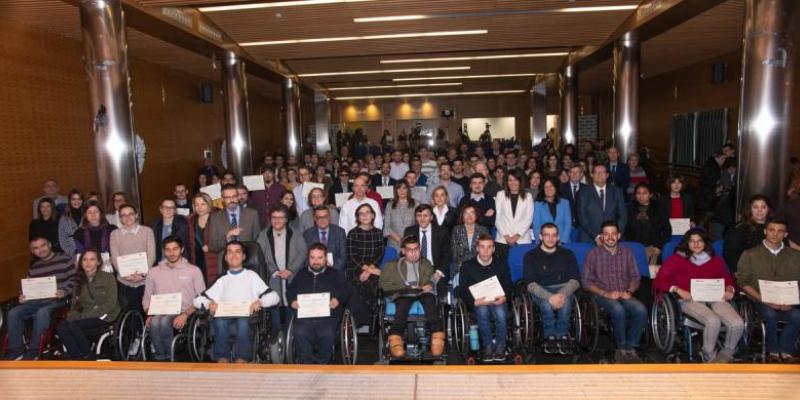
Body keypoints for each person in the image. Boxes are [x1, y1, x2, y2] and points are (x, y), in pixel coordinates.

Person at [653, 228, 742, 363]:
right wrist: (678, 290)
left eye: (699, 241)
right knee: (713, 321)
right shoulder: (677, 259)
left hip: (715, 297)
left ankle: (726, 354)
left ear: (705, 243)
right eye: (692, 241)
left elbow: (726, 278)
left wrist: (730, 289)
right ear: (686, 243)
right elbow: (659, 280)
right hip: (689, 299)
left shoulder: (715, 260)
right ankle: (707, 353)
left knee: (737, 324)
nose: (696, 244)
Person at [193, 241, 280, 363]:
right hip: (224, 318)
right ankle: (222, 359)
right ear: (225, 257)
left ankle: (242, 359)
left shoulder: (252, 276)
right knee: (218, 321)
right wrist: (209, 304)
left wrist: (260, 302)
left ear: (244, 256)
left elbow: (275, 297)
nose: (233, 255)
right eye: (230, 252)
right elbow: (197, 300)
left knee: (243, 322)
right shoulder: (221, 280)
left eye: (237, 251)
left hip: (246, 317)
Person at [581, 221, 646, 363]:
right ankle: (621, 348)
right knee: (618, 310)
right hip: (601, 294)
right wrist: (605, 294)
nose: (610, 237)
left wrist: (629, 291)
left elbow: (635, 276)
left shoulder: (627, 252)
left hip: (624, 293)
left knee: (641, 310)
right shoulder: (593, 254)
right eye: (606, 234)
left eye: (613, 234)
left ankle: (631, 348)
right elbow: (586, 281)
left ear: (619, 235)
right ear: (601, 237)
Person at [736, 219, 800, 363]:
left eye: (780, 231)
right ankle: (773, 351)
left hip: (788, 301)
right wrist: (763, 300)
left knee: (797, 315)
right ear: (765, 231)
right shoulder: (750, 254)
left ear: (786, 234)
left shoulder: (796, 256)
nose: (775, 234)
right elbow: (742, 282)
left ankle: (785, 350)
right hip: (759, 300)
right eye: (771, 230)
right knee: (769, 314)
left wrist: (793, 301)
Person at [5, 237, 75, 360]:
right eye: (36, 248)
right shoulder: (35, 267)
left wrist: (64, 291)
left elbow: (76, 280)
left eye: (43, 245)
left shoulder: (65, 259)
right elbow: (27, 286)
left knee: (42, 312)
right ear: (32, 251)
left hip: (59, 300)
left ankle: (34, 350)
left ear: (49, 245)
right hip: (37, 300)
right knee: (13, 312)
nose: (40, 250)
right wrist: (23, 296)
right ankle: (16, 350)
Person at [380, 236, 445, 358]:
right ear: (403, 251)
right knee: (403, 304)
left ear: (420, 249)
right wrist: (406, 289)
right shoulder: (391, 266)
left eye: (416, 249)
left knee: (430, 300)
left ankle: (437, 335)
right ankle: (395, 338)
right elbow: (383, 284)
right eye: (410, 250)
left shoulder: (425, 263)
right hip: (402, 293)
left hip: (421, 293)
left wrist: (427, 285)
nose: (413, 253)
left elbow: (429, 278)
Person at [142, 236, 205, 361]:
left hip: (183, 312)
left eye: (175, 249)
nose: (171, 253)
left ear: (181, 249)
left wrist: (185, 315)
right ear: (164, 251)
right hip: (159, 312)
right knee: (155, 321)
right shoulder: (153, 272)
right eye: (168, 249)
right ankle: (161, 357)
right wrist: (149, 314)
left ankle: (168, 356)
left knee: (164, 321)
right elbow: (147, 298)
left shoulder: (193, 271)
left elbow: (201, 299)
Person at [524, 223, 580, 355]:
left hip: (564, 288)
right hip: (541, 289)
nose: (550, 238)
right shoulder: (531, 256)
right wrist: (550, 297)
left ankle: (562, 336)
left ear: (558, 237)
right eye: (546, 235)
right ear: (540, 236)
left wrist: (560, 295)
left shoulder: (568, 254)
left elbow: (575, 280)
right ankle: (549, 337)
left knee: (565, 303)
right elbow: (531, 284)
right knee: (547, 305)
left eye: (554, 235)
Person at [287, 243, 348, 364]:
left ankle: (322, 363)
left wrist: (337, 299)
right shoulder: (301, 274)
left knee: (328, 333)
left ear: (326, 258)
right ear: (308, 258)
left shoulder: (336, 274)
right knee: (299, 332)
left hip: (328, 317)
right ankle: (307, 364)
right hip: (305, 317)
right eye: (312, 257)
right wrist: (292, 301)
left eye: (320, 257)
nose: (316, 261)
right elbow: (291, 290)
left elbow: (345, 290)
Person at [56, 249, 120, 360]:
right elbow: (75, 305)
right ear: (80, 262)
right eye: (85, 259)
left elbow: (111, 303)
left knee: (73, 325)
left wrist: (83, 316)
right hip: (84, 314)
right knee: (62, 326)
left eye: (92, 259)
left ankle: (88, 356)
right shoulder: (78, 280)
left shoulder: (108, 278)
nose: (88, 263)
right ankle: (76, 357)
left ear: (99, 262)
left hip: (105, 314)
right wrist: (72, 316)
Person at [458, 235, 511, 360]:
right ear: (477, 248)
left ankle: (500, 346)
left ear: (493, 249)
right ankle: (487, 346)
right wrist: (474, 302)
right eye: (482, 247)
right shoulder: (467, 266)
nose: (485, 251)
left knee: (500, 313)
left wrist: (505, 297)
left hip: (498, 300)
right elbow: (462, 289)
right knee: (482, 311)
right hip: (478, 303)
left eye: (489, 247)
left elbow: (508, 285)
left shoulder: (501, 265)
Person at [256, 205, 308, 332]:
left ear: (286, 219)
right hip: (273, 278)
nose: (277, 220)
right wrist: (274, 271)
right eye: (274, 217)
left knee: (291, 309)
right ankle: (276, 341)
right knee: (275, 312)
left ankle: (290, 339)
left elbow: (303, 252)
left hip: (292, 277)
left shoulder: (296, 233)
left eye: (281, 218)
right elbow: (261, 256)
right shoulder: (263, 235)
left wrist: (290, 270)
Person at [109, 204, 156, 311]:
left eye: (130, 214)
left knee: (148, 312)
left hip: (145, 280)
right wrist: (125, 275)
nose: (128, 217)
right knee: (130, 314)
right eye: (123, 215)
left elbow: (151, 255)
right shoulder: (114, 234)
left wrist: (143, 275)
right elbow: (115, 257)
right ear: (120, 218)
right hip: (125, 281)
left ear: (136, 215)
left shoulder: (147, 231)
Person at [208, 184, 261, 273]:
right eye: (228, 197)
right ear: (223, 199)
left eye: (234, 196)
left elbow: (258, 241)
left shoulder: (252, 214)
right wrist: (227, 237)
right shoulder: (215, 218)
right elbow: (213, 246)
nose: (231, 200)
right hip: (225, 265)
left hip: (249, 264)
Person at [346, 203, 385, 325]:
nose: (365, 216)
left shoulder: (378, 232)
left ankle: (375, 319)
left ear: (373, 215)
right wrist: (367, 269)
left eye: (367, 212)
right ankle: (368, 319)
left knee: (379, 285)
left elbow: (380, 253)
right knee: (366, 285)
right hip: (356, 270)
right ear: (357, 217)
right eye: (361, 213)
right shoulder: (352, 233)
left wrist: (370, 269)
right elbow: (352, 256)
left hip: (373, 269)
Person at [403, 204, 452, 294]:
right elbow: (404, 253)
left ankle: (440, 307)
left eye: (426, 215)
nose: (422, 219)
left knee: (440, 288)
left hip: (436, 268)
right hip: (415, 267)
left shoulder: (442, 231)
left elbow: (447, 254)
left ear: (431, 217)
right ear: (416, 218)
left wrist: (438, 273)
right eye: (419, 216)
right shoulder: (409, 231)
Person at [576, 164, 627, 243]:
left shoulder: (617, 191)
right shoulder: (583, 192)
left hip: (612, 238)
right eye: (596, 172)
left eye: (602, 172)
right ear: (592, 175)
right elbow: (581, 216)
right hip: (589, 237)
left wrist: (615, 233)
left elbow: (623, 215)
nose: (599, 174)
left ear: (607, 175)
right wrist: (596, 236)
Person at [625, 183, 672, 265]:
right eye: (638, 193)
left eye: (644, 193)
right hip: (633, 247)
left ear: (650, 195)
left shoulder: (659, 208)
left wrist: (659, 247)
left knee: (650, 274)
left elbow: (667, 229)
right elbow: (625, 228)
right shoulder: (629, 208)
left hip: (652, 247)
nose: (641, 196)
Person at [723, 194, 770, 273]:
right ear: (750, 209)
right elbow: (732, 259)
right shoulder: (738, 230)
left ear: (768, 209)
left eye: (763, 207)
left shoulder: (775, 227)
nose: (759, 210)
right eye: (755, 207)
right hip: (747, 273)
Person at [495, 169, 535, 256]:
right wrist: (506, 236)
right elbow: (497, 218)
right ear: (506, 182)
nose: (513, 183)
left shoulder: (528, 196)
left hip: (522, 239)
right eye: (510, 180)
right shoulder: (500, 195)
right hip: (503, 239)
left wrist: (516, 236)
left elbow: (529, 219)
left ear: (520, 181)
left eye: (516, 179)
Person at [303, 206, 347, 272]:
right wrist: (317, 269)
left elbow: (344, 257)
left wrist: (330, 271)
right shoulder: (307, 234)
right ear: (314, 218)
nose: (322, 220)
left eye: (325, 217)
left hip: (336, 272)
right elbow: (305, 258)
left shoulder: (340, 232)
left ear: (329, 217)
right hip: (314, 273)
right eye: (319, 217)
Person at [187, 193, 218, 285]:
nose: (199, 207)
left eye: (203, 204)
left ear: (209, 204)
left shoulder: (218, 219)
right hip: (196, 261)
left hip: (213, 260)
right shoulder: (190, 221)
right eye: (196, 205)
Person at [451, 204, 490, 272]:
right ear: (462, 216)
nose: (469, 216)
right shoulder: (456, 230)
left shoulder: (483, 230)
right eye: (466, 213)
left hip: (480, 267)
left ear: (476, 215)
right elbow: (454, 254)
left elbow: (487, 251)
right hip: (461, 267)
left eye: (472, 212)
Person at [533, 178, 573, 243]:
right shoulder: (538, 205)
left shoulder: (565, 203)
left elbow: (568, 224)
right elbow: (536, 226)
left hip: (563, 241)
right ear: (543, 190)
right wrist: (543, 242)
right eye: (546, 187)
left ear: (555, 188)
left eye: (551, 186)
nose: (549, 189)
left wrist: (562, 241)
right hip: (544, 242)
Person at [383, 181, 417, 250]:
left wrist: (407, 240)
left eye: (404, 188)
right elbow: (386, 228)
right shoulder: (389, 204)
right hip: (393, 244)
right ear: (396, 190)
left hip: (411, 243)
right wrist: (399, 240)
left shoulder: (416, 204)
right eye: (399, 188)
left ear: (408, 189)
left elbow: (418, 225)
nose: (402, 191)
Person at [58, 189, 84, 257]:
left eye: (79, 199)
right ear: (69, 201)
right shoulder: (64, 218)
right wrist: (72, 253)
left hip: (89, 251)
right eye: (73, 199)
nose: (76, 201)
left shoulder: (88, 214)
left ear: (82, 200)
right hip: (71, 253)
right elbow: (62, 238)